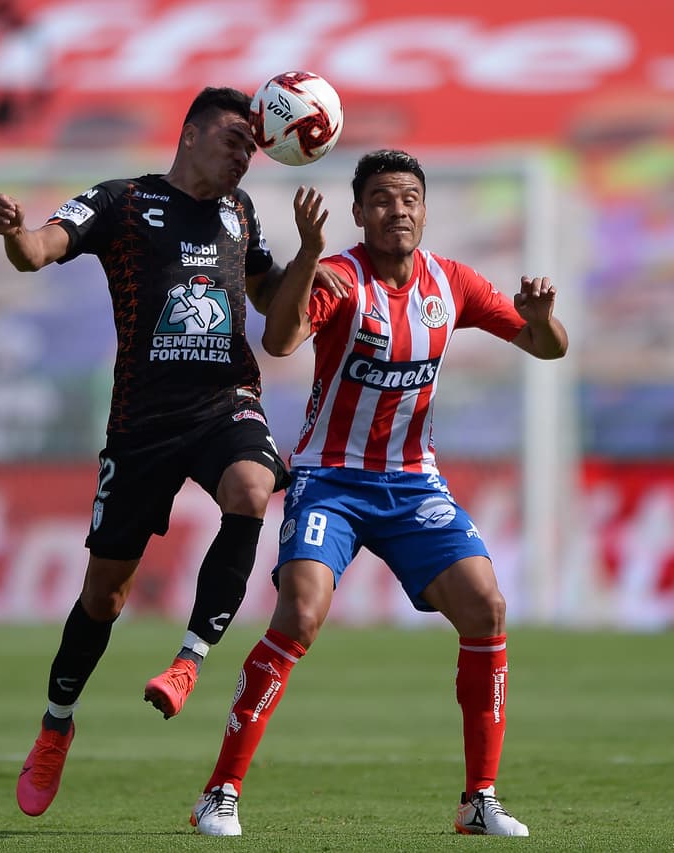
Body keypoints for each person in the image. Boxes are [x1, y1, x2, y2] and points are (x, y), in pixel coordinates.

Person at [0, 86, 344, 818]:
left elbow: (273, 304)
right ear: (191, 134)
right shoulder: (122, 201)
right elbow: (39, 250)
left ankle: (187, 662)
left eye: (253, 148)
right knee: (104, 596)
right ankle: (56, 725)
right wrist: (17, 232)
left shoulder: (241, 213)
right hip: (142, 422)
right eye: (236, 141)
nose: (246, 156)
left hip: (225, 403)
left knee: (252, 488)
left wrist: (309, 257)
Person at [188, 149, 568, 837]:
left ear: (424, 209)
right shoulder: (339, 277)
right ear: (360, 213)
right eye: (384, 199)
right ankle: (220, 792)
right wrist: (308, 253)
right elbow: (280, 341)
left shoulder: (451, 281)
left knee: (486, 607)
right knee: (299, 616)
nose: (399, 210)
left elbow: (548, 348)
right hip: (330, 481)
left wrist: (540, 318)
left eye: (410, 198)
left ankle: (479, 799)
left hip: (413, 483)